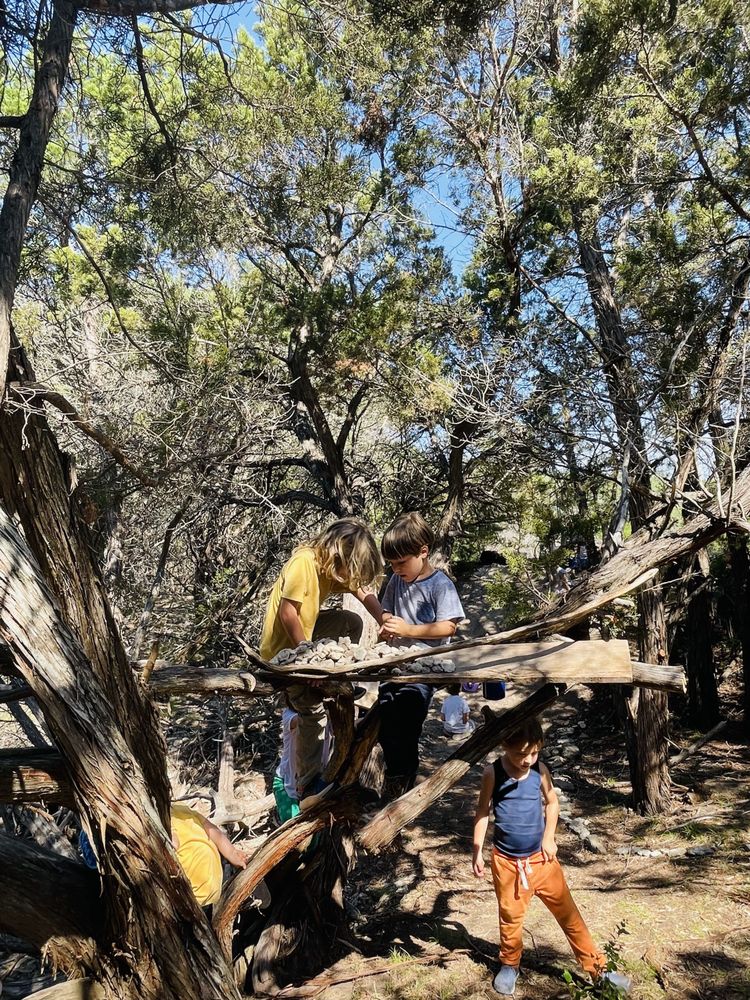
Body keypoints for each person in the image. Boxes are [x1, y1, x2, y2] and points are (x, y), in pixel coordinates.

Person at [472, 719, 631, 997]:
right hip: (508, 864)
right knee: (510, 917)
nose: (528, 760)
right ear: (505, 746)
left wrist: (549, 837)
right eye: (522, 753)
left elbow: (553, 803)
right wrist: (477, 851)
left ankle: (599, 970)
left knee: (570, 916)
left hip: (543, 862)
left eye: (535, 753)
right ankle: (509, 964)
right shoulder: (492, 773)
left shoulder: (540, 771)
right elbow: (483, 813)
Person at [259, 517, 383, 797]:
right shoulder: (304, 562)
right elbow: (288, 612)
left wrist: (383, 617)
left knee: (351, 621)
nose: (348, 576)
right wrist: (309, 660)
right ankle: (307, 783)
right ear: (338, 553)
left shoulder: (329, 567)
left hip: (307, 639)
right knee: (312, 712)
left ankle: (337, 674)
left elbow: (360, 589)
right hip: (285, 653)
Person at [378, 512, 465, 799]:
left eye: (401, 562)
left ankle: (404, 779)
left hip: (424, 669)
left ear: (423, 552)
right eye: (391, 564)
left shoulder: (440, 584)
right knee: (384, 720)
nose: (396, 569)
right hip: (394, 666)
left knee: (408, 719)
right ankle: (394, 775)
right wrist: (388, 626)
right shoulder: (396, 581)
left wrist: (408, 630)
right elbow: (387, 610)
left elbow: (448, 626)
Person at [170, 802, 248, 907]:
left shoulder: (181, 808)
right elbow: (173, 844)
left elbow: (212, 830)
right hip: (195, 898)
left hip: (217, 883)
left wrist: (232, 853)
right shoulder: (163, 821)